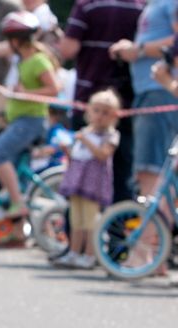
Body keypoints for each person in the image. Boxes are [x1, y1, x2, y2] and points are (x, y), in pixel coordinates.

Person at [0, 11, 60, 245]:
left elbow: (54, 88)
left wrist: (23, 94)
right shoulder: (24, 61)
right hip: (21, 120)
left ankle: (17, 203)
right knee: (17, 175)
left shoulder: (38, 61)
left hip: (31, 121)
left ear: (15, 40)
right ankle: (19, 234)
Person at [60, 0, 143, 206]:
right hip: (126, 101)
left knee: (79, 169)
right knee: (123, 172)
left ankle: (76, 236)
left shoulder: (87, 5)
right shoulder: (141, 7)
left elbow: (67, 49)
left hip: (90, 99)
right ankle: (117, 233)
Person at [109, 0, 178, 216]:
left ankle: (146, 246)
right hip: (151, 92)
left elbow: (175, 40)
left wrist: (136, 50)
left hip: (159, 93)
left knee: (150, 171)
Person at [54, 90, 120, 269]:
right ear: (89, 111)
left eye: (105, 112)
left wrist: (86, 140)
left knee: (90, 223)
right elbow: (77, 157)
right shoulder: (84, 132)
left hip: (94, 185)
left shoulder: (110, 136)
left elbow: (102, 155)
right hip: (77, 182)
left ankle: (89, 255)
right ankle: (74, 253)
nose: (99, 116)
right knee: (76, 221)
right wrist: (66, 150)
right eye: (96, 110)